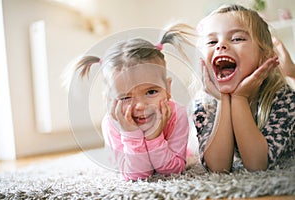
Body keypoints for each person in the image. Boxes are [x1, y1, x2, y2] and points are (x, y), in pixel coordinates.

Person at [74, 24, 194, 181]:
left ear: (167, 88)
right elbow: (137, 175)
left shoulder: (177, 114)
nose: (140, 106)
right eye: (125, 98)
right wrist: (131, 135)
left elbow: (172, 171)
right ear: (109, 101)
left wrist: (153, 138)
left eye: (151, 92)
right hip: (125, 159)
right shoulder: (112, 124)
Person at [192, 4, 295, 173]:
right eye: (211, 41)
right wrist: (223, 98)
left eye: (237, 39)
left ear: (264, 56)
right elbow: (218, 168)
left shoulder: (284, 98)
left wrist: (240, 98)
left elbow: (257, 165)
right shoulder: (204, 102)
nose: (220, 45)